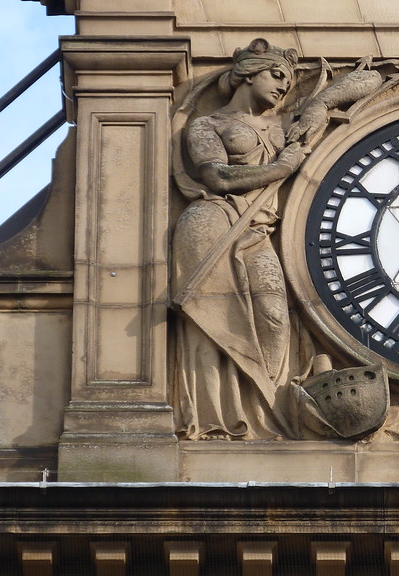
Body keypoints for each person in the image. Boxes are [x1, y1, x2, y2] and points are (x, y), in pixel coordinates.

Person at [171, 39, 305, 440]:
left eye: (289, 81)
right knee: (214, 320)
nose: (283, 87)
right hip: (213, 223)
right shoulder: (207, 125)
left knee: (275, 318)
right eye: (277, 75)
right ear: (248, 73)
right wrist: (282, 167)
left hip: (258, 231)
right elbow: (217, 177)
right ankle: (221, 417)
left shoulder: (284, 128)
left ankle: (266, 410)